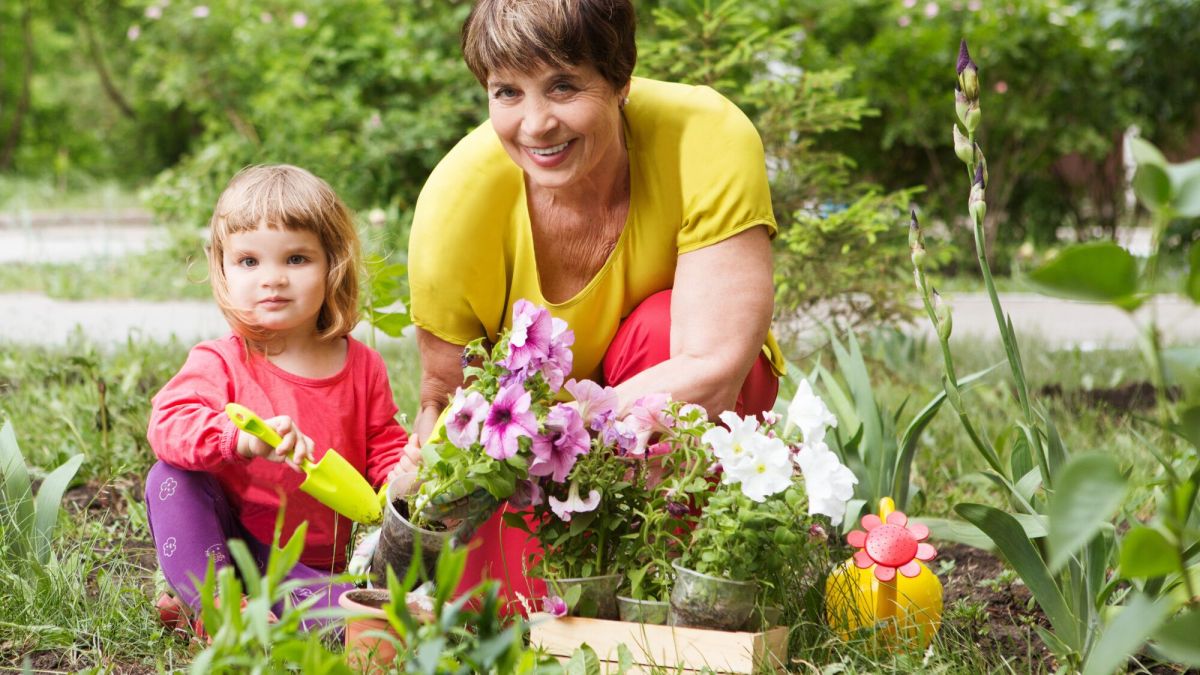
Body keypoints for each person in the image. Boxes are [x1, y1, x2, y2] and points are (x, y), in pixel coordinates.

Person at [401, 0, 784, 611]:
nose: (535, 124)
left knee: (661, 326)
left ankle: (677, 596)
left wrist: (558, 432)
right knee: (516, 615)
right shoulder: (455, 204)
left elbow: (715, 365)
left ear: (621, 80)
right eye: (507, 92)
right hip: (538, 455)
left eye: (563, 86)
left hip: (656, 423)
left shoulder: (705, 135)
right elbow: (449, 400)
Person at [146, 165, 409, 634]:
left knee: (362, 622)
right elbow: (168, 425)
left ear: (333, 262)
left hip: (303, 566)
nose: (273, 279)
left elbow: (382, 443)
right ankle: (219, 604)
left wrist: (402, 475)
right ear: (222, 268)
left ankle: (213, 611)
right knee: (171, 477)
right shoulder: (222, 361)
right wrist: (236, 439)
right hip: (224, 540)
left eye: (295, 259)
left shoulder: (362, 365)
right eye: (249, 261)